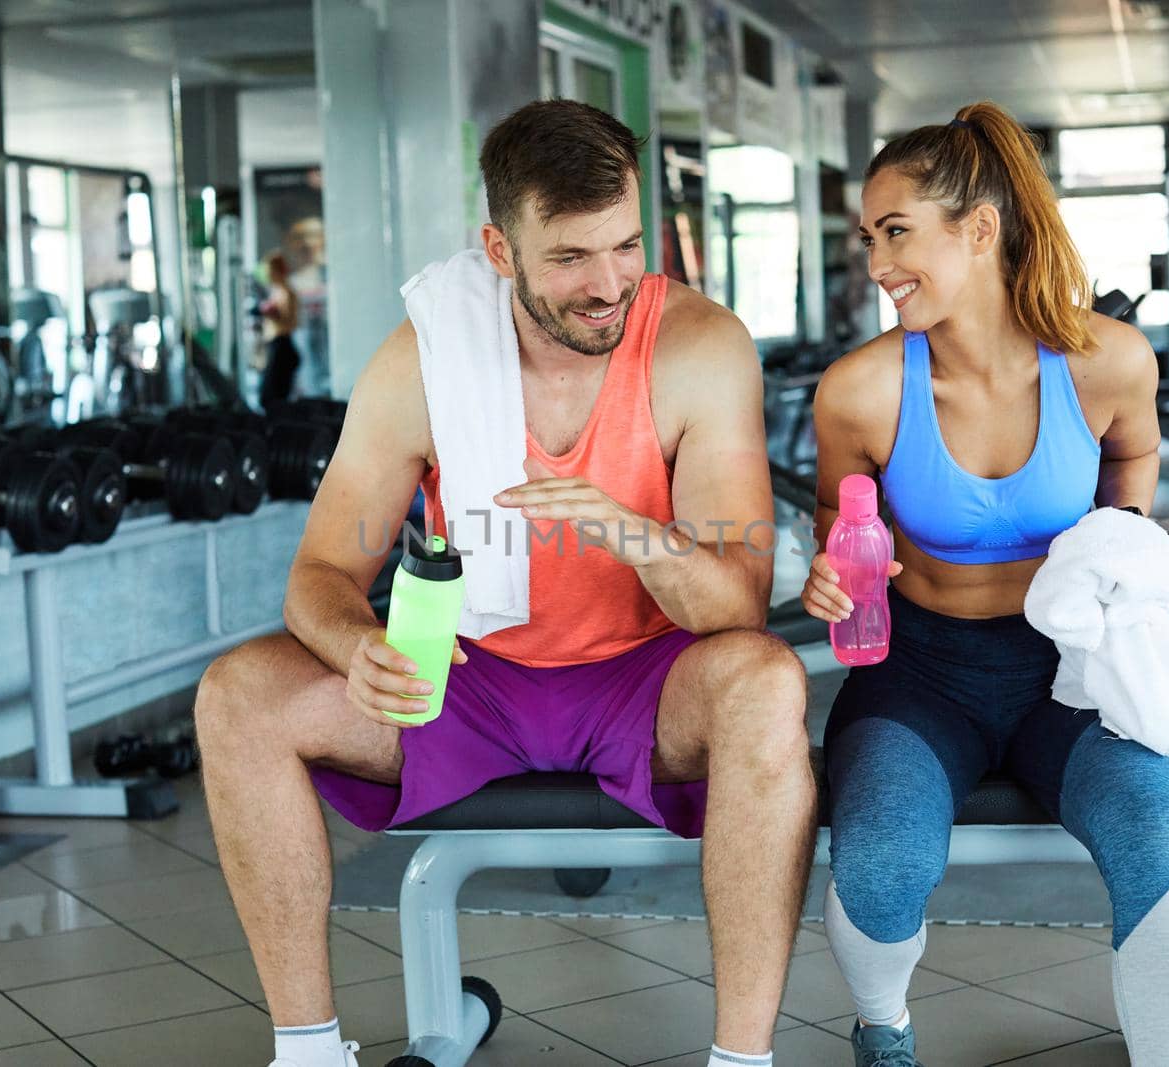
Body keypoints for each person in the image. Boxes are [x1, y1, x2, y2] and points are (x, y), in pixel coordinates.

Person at [196, 99, 814, 1067]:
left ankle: (742, 1059)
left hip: (645, 680)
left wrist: (627, 530)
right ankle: (307, 1051)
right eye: (570, 257)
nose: (608, 283)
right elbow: (318, 573)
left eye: (624, 245)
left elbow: (735, 604)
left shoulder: (698, 346)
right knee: (238, 695)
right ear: (498, 248)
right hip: (464, 677)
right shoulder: (424, 360)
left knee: (769, 681)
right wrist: (362, 647)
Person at [801, 102, 1169, 1067]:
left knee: (1154, 830)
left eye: (896, 232)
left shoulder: (1106, 360)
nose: (876, 263)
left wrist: (1123, 548)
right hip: (918, 676)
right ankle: (883, 1028)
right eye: (869, 238)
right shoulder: (859, 389)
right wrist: (832, 566)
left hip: (1066, 674)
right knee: (882, 859)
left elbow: (1135, 456)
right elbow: (837, 514)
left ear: (980, 230)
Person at [257, 251, 302, 412]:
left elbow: (288, 320)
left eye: (271, 271)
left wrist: (270, 313)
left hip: (282, 345)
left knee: (272, 396)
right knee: (270, 396)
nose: (268, 275)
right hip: (275, 344)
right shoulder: (276, 291)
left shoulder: (286, 292)